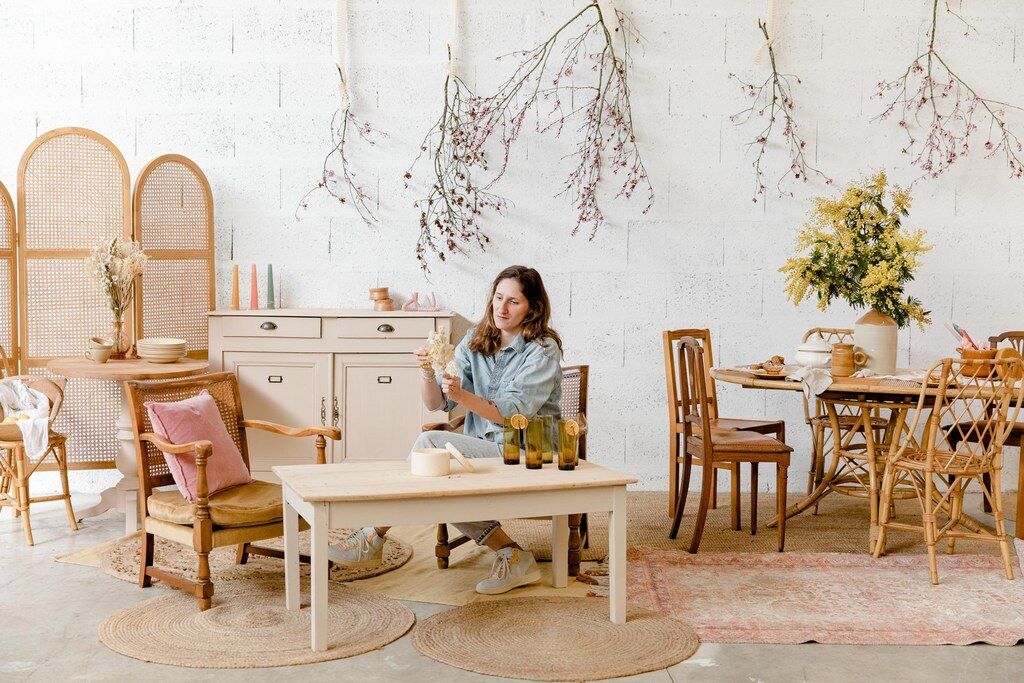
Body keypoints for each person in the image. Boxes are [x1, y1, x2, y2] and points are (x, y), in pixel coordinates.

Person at [328, 265, 563, 594]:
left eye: (513, 301)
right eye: (498, 297)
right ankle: (512, 554)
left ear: (533, 308)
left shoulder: (542, 350)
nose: (501, 308)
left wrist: (462, 394)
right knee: (436, 469)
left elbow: (512, 415)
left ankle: (372, 535)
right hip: (481, 448)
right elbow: (437, 403)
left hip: (526, 453)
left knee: (428, 445)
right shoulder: (476, 339)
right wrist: (427, 373)